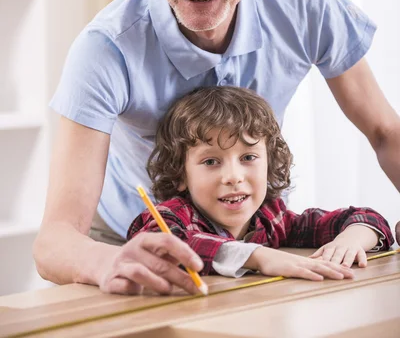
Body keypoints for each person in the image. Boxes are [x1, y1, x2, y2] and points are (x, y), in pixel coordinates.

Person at [33, 0, 400, 296]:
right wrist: (111, 260)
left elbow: (384, 131)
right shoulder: (105, 49)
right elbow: (54, 242)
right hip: (131, 242)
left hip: (250, 232)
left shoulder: (307, 8)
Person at [129, 86, 393, 280]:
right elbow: (159, 246)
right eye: (211, 162)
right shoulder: (172, 216)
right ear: (180, 175)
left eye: (248, 157)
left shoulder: (271, 218)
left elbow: (367, 218)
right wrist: (260, 257)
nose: (233, 176)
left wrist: (350, 240)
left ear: (269, 162)